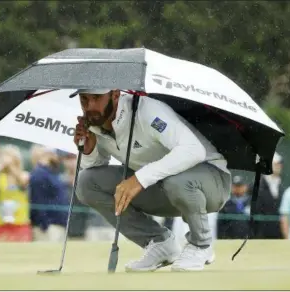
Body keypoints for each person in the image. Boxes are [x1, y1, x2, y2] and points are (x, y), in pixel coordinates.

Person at [72, 89, 231, 272]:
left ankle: (201, 244)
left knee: (176, 181)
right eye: (84, 99)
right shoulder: (95, 125)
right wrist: (88, 150)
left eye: (97, 98)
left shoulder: (147, 110)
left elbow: (193, 150)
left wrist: (139, 178)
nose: (90, 106)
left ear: (115, 95)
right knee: (86, 183)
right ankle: (160, 243)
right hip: (164, 187)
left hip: (212, 181)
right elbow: (96, 167)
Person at [0, 145, 31, 242]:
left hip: (19, 222)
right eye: (3, 156)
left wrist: (11, 167)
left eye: (9, 156)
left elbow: (23, 183)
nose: (5, 159)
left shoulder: (24, 174)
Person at [30, 147, 69, 242]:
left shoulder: (51, 173)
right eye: (55, 154)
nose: (58, 157)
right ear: (48, 155)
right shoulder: (39, 174)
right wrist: (44, 225)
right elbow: (38, 200)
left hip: (58, 225)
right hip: (48, 227)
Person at [252, 152, 285, 239]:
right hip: (261, 236)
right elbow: (255, 212)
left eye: (279, 164)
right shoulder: (257, 186)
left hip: (279, 235)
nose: (279, 166)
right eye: (276, 164)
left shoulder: (282, 187)